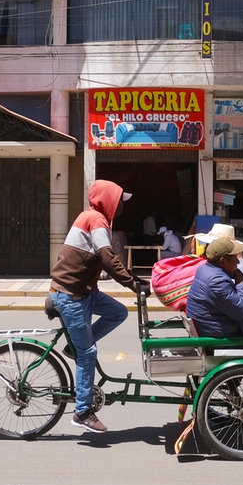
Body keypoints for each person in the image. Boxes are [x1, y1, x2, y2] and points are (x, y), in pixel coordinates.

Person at [49, 179, 145, 433]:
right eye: (119, 202)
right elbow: (107, 256)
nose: (121, 207)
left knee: (118, 312)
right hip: (71, 295)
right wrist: (132, 283)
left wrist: (132, 279)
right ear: (108, 201)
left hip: (85, 292)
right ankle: (82, 411)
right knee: (88, 353)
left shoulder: (93, 218)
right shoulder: (96, 220)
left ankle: (73, 347)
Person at [185, 236, 243, 338]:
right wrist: (240, 283)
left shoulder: (204, 269)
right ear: (223, 261)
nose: (238, 263)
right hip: (223, 338)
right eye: (235, 259)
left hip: (219, 328)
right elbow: (241, 312)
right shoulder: (217, 281)